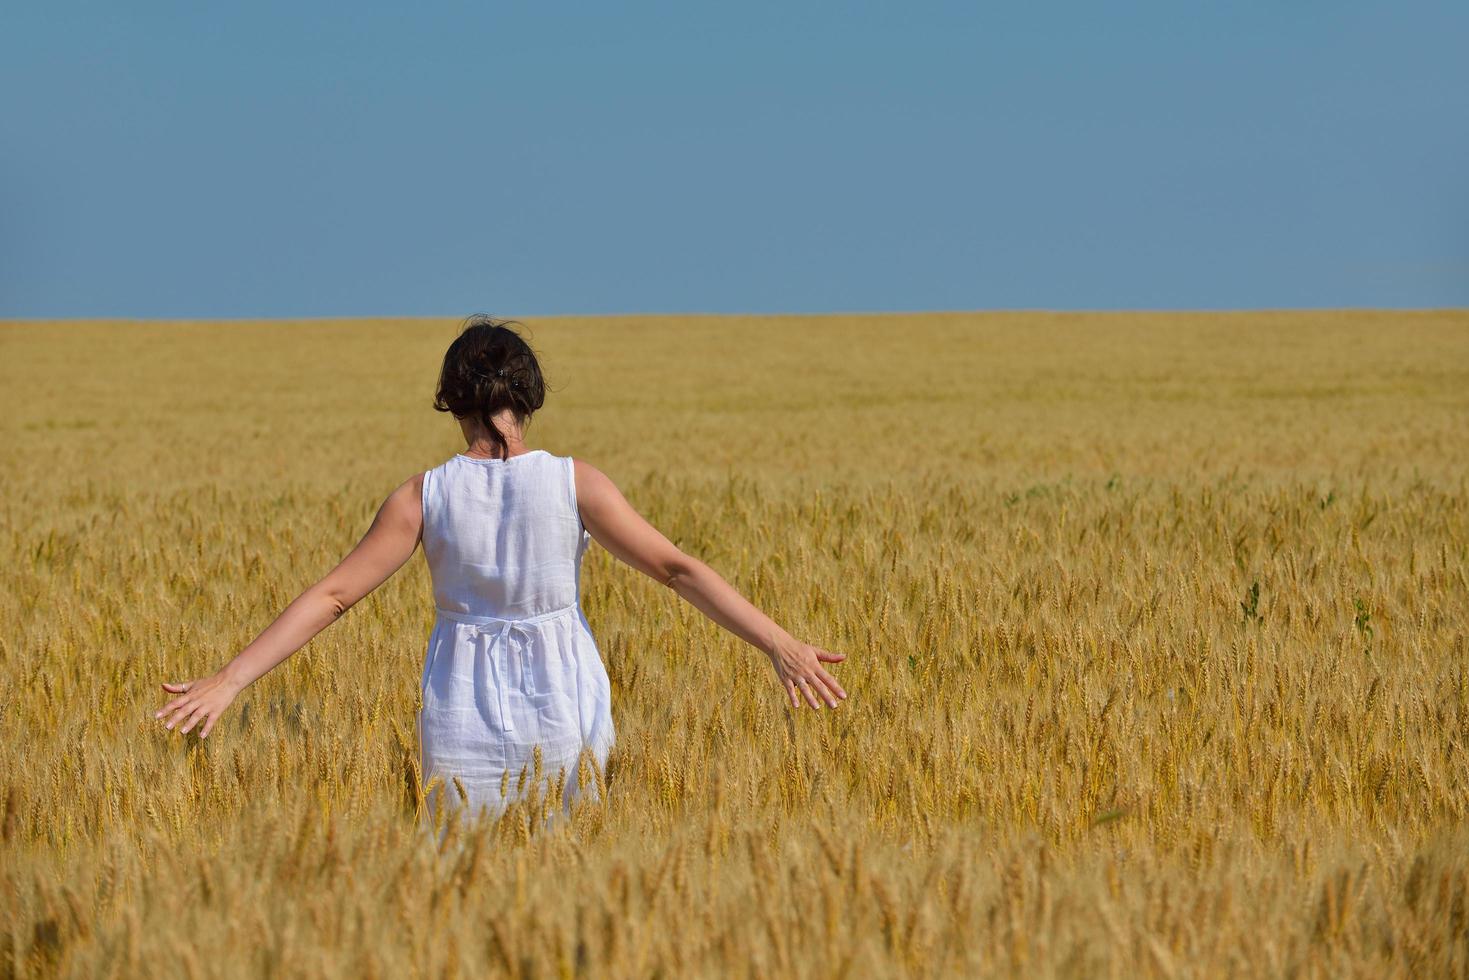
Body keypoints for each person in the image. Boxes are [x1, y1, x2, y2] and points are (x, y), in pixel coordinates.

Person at [153, 315, 848, 833]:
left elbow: (333, 595)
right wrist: (779, 645)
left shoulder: (422, 496)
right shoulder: (576, 483)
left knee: (459, 879)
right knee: (570, 870)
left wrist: (229, 680)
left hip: (460, 704)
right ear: (531, 396)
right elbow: (675, 568)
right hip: (564, 699)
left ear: (450, 401)